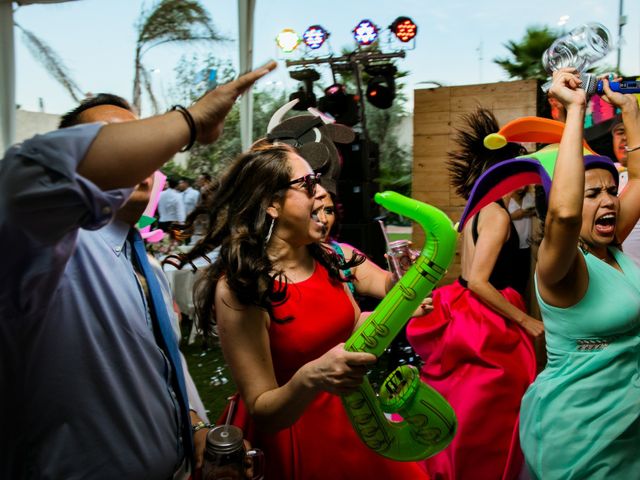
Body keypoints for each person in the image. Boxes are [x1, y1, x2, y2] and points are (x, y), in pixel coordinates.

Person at [0, 61, 276, 479]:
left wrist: (197, 426)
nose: (139, 157)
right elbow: (26, 172)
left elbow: (162, 363)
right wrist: (189, 120)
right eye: (120, 144)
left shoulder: (145, 264)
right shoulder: (48, 250)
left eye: (141, 143)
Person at [182, 142, 430, 479]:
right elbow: (262, 409)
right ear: (271, 204)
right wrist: (311, 377)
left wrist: (406, 296)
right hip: (292, 434)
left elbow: (355, 320)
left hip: (353, 415)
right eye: (308, 185)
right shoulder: (243, 286)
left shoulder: (333, 257)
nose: (321, 193)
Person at [406, 108, 543, 480]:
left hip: (467, 309)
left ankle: (455, 465)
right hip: (489, 316)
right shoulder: (497, 214)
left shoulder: (479, 210)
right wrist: (526, 319)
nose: (527, 182)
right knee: (494, 407)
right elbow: (479, 280)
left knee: (467, 403)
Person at [519, 69, 640, 478]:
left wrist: (630, 110)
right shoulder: (563, 268)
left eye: (611, 190)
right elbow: (565, 214)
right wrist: (575, 111)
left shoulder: (611, 246)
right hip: (580, 434)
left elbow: (639, 178)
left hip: (626, 429)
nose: (609, 200)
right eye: (593, 193)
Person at [610, 115, 640, 266]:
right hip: (617, 281)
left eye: (631, 131)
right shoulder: (606, 175)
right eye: (620, 132)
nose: (624, 138)